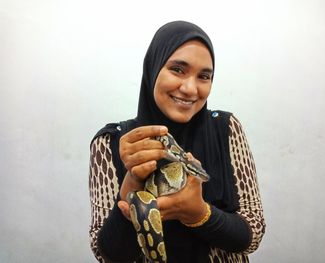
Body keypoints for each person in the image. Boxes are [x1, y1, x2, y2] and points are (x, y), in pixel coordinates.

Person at [89, 20, 265, 263]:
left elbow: (253, 234)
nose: (190, 88)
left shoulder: (226, 128)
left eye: (204, 76)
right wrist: (131, 185)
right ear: (153, 68)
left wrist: (199, 214)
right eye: (178, 69)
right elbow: (107, 255)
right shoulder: (111, 142)